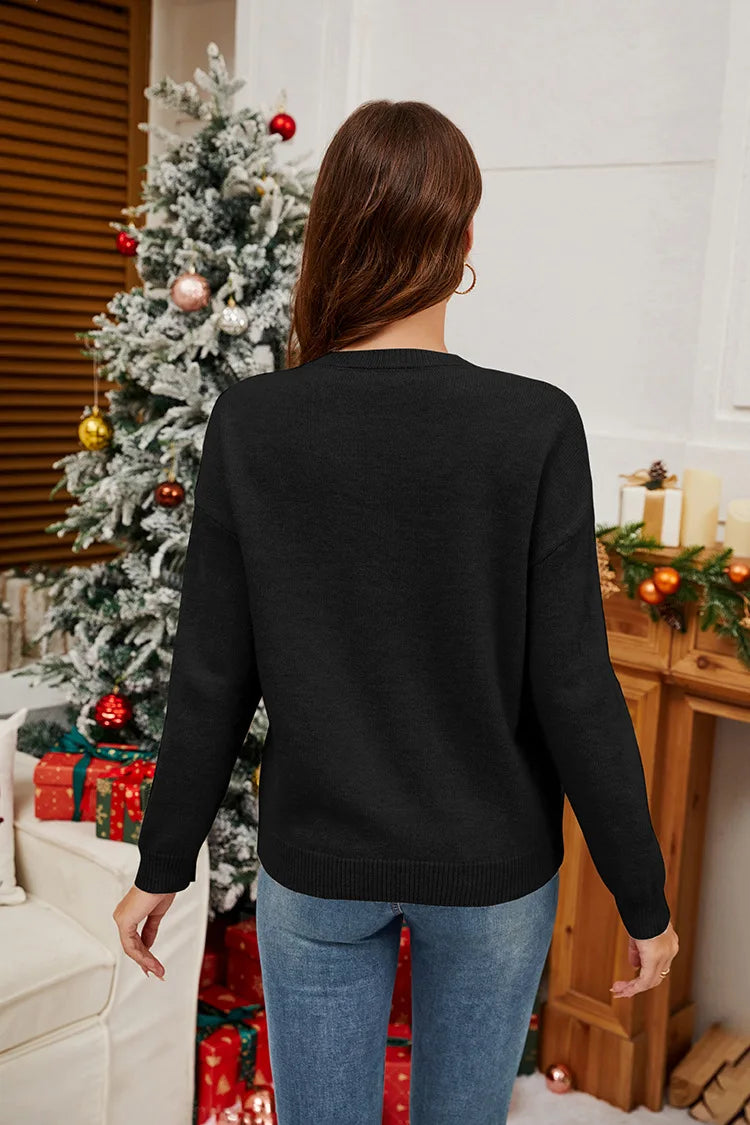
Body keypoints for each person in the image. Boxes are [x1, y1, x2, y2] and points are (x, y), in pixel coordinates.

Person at [113, 99, 679, 1124]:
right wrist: (644, 899)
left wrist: (163, 863)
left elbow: (211, 675)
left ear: (332, 231)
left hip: (317, 865)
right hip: (493, 871)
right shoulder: (535, 424)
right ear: (462, 239)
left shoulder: (254, 422)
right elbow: (574, 687)